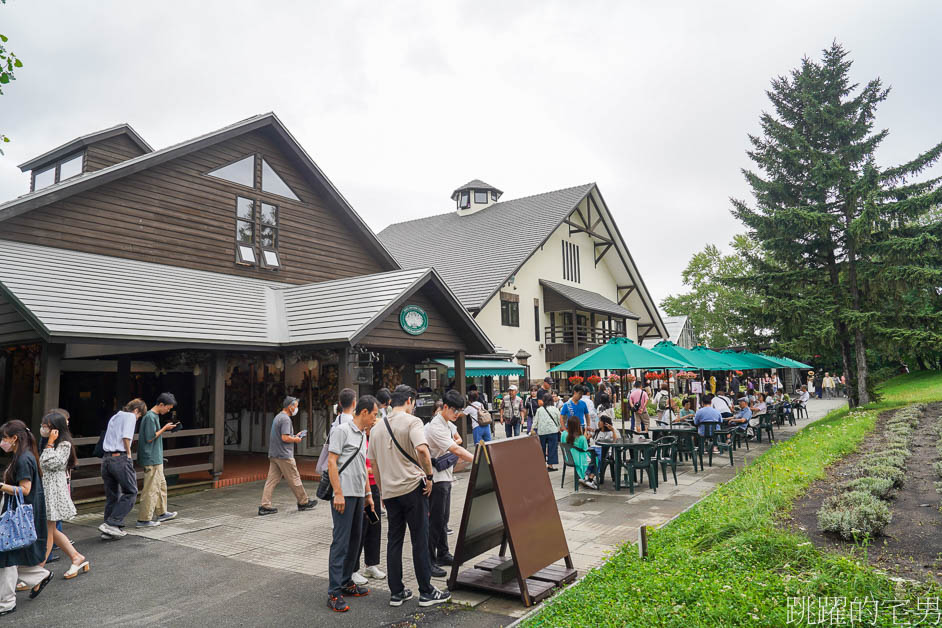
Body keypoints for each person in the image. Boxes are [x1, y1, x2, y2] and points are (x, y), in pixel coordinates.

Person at [368, 385, 451, 608]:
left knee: (394, 540)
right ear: (409, 401)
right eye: (413, 402)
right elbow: (423, 450)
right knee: (419, 540)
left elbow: (373, 464)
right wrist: (430, 476)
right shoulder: (412, 422)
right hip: (413, 488)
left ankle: (397, 592)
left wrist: (383, 490)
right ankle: (425, 591)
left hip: (390, 492)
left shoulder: (376, 428)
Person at [325, 395, 377, 613]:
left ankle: (346, 582)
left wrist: (368, 495)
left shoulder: (363, 436)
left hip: (358, 495)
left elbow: (363, 466)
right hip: (343, 495)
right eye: (374, 414)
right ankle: (334, 592)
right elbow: (331, 461)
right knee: (341, 542)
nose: (376, 419)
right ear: (364, 412)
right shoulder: (342, 430)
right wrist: (337, 492)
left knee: (356, 540)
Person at [0, 420, 53, 614]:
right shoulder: (26, 456)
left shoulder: (22, 459)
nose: (2, 441)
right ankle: (39, 576)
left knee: (6, 557)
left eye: (4, 438)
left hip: (15, 517)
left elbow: (25, 489)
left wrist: (1, 486)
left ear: (14, 438)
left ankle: (7, 602)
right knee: (9, 555)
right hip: (20, 516)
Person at [424, 390, 473, 569]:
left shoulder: (447, 423)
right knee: (435, 521)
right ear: (445, 407)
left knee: (443, 519)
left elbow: (456, 441)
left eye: (460, 411)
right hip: (436, 478)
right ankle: (429, 561)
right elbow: (457, 449)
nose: (458, 414)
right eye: (455, 411)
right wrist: (479, 459)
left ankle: (443, 553)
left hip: (445, 476)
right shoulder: (436, 426)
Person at [38, 412, 87, 579]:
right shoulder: (47, 442)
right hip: (46, 489)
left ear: (56, 429)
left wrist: (50, 443)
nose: (43, 429)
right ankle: (76, 557)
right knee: (52, 531)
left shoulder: (64, 444)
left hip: (53, 491)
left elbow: (51, 463)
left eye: (47, 426)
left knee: (47, 532)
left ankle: (37, 573)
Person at [259, 396, 317, 516]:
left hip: (274, 454)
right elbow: (285, 437)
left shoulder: (278, 417)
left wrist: (295, 435)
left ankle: (265, 506)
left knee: (271, 481)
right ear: (290, 406)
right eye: (295, 406)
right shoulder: (285, 419)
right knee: (294, 478)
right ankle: (303, 502)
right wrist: (296, 439)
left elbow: (284, 436)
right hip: (284, 455)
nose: (296, 408)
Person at [99, 399, 147, 538]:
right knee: (131, 491)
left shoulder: (116, 416)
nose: (137, 418)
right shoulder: (130, 416)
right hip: (120, 457)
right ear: (137, 410)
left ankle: (109, 529)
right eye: (139, 415)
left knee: (112, 495)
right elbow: (126, 437)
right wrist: (129, 454)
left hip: (106, 459)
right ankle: (112, 523)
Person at [351, 397, 386, 587]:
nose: (373, 426)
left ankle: (371, 564)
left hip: (374, 488)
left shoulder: (374, 440)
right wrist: (376, 468)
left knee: (374, 525)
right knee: (361, 528)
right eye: (373, 419)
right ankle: (354, 568)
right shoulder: (357, 437)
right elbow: (363, 467)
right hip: (362, 489)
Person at [136, 393, 180, 528]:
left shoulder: (152, 416)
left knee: (161, 485)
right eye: (167, 408)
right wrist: (165, 428)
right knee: (151, 489)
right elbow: (150, 437)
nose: (168, 411)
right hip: (151, 458)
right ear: (161, 404)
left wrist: (165, 429)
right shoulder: (150, 416)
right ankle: (144, 519)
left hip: (156, 457)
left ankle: (162, 512)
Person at [560, 417, 597, 489]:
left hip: (568, 458)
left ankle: (586, 477)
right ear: (578, 425)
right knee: (596, 459)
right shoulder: (581, 437)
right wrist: (586, 434)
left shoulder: (563, 434)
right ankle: (588, 477)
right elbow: (585, 449)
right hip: (579, 459)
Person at [531, 393, 562, 471]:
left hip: (542, 431)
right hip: (553, 431)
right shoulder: (555, 409)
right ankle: (550, 466)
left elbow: (535, 421)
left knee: (542, 448)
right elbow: (559, 420)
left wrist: (532, 429)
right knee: (552, 448)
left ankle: (542, 465)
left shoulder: (539, 409)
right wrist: (559, 428)